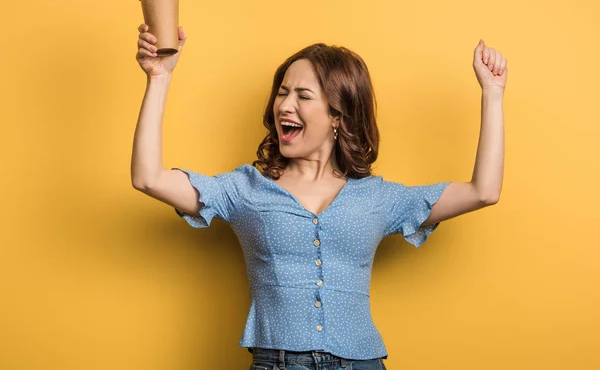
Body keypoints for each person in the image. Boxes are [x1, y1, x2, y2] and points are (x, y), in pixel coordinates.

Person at [131, 23, 507, 370]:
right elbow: (148, 178)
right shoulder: (243, 189)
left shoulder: (378, 198)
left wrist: (492, 94)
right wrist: (159, 77)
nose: (284, 105)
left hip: (362, 362)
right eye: (282, 93)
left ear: (337, 116)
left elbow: (483, 191)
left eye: (302, 95)